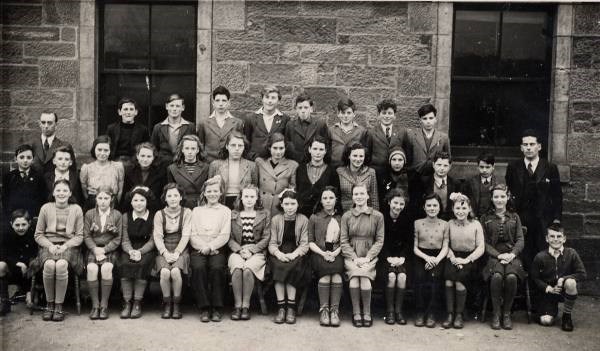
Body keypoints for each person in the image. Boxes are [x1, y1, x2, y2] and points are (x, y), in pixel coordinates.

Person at [505, 129, 562, 269]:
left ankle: (541, 288)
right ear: (521, 147)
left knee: (542, 254)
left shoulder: (550, 167)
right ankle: (523, 289)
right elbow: (509, 193)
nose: (529, 147)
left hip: (543, 219)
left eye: (532, 144)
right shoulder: (513, 167)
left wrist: (556, 220)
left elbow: (557, 196)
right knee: (523, 254)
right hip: (521, 219)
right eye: (525, 144)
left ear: (539, 146)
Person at [32, 179, 84, 321]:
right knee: (49, 264)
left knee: (61, 264)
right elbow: (38, 235)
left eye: (65, 190)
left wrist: (65, 246)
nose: (61, 193)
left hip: (69, 245)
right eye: (58, 190)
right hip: (49, 244)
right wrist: (50, 246)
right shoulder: (46, 208)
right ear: (53, 192)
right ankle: (50, 304)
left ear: (70, 193)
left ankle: (59, 305)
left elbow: (79, 236)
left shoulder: (76, 209)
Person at [480, 184, 526, 330]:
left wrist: (512, 255)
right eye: (496, 197)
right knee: (497, 277)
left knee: (511, 277)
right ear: (492, 199)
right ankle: (496, 313)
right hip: (494, 256)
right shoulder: (485, 217)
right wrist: (499, 255)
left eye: (502, 196)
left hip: (512, 256)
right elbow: (484, 243)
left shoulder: (515, 217)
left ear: (507, 198)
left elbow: (520, 239)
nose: (499, 200)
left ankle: (506, 314)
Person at [340, 184, 384, 328]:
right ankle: (356, 312)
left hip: (369, 255)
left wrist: (368, 257)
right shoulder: (347, 216)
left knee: (364, 277)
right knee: (354, 278)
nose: (359, 197)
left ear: (368, 195)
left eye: (362, 194)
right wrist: (354, 257)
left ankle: (367, 312)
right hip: (352, 255)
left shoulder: (377, 216)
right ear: (352, 197)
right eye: (356, 194)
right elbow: (344, 241)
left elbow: (379, 240)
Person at [189, 176, 231, 322]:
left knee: (217, 268)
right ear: (204, 193)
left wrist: (211, 246)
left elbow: (224, 235)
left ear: (220, 193)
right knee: (198, 267)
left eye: (215, 191)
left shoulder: (225, 211)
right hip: (199, 249)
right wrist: (204, 247)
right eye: (209, 191)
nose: (212, 194)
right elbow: (192, 234)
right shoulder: (196, 211)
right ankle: (205, 308)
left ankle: (217, 308)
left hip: (217, 249)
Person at [531, 224, 586, 332]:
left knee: (571, 283)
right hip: (549, 293)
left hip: (564, 290)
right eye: (552, 236)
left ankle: (566, 316)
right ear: (547, 239)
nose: (555, 239)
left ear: (564, 239)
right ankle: (549, 311)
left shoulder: (571, 253)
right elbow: (535, 278)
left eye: (559, 236)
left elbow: (582, 273)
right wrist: (548, 288)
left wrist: (563, 279)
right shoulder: (540, 256)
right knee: (546, 321)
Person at [228, 185, 270, 321]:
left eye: (252, 196)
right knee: (237, 267)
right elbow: (228, 237)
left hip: (257, 251)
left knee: (248, 270)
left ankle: (246, 306)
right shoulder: (233, 214)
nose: (249, 199)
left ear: (257, 198)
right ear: (241, 198)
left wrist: (252, 250)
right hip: (238, 250)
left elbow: (266, 237)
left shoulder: (264, 214)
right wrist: (240, 250)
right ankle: (237, 306)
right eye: (246, 196)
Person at [443, 193, 485, 329]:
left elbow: (481, 247)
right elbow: (446, 244)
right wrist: (452, 257)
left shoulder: (476, 224)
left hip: (470, 259)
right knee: (449, 279)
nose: (460, 212)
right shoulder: (449, 224)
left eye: (463, 208)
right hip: (453, 257)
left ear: (469, 209)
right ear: (453, 209)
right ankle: (450, 314)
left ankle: (459, 315)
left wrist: (467, 260)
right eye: (457, 208)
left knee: (459, 280)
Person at [268, 189, 310, 324]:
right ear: (281, 204)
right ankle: (281, 308)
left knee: (293, 267)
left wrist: (294, 254)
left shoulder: (303, 219)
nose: (290, 207)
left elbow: (305, 244)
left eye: (293, 204)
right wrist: (278, 254)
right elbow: (272, 243)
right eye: (286, 204)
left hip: (296, 252)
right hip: (279, 252)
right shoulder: (276, 220)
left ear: (298, 204)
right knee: (279, 266)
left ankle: (291, 307)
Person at [153, 183, 192, 319]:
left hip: (180, 248)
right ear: (165, 198)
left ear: (181, 197)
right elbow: (157, 236)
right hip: (164, 248)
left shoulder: (187, 212)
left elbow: (186, 235)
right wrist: (164, 253)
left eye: (176, 195)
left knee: (175, 272)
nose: (173, 198)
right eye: (169, 196)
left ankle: (176, 305)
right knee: (164, 272)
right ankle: (167, 303)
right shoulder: (159, 214)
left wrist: (177, 253)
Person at [83, 187, 123, 320]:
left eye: (106, 198)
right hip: (93, 249)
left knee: (107, 268)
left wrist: (105, 250)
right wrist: (94, 249)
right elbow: (86, 235)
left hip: (109, 249)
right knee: (91, 268)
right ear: (96, 199)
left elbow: (118, 238)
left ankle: (104, 305)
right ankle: (95, 305)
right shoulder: (90, 214)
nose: (103, 202)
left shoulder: (117, 215)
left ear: (111, 199)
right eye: (100, 198)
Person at [118, 186, 156, 319]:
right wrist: (130, 251)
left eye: (142, 200)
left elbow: (153, 240)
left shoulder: (153, 216)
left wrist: (140, 251)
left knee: (142, 264)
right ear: (131, 202)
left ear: (147, 202)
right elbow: (124, 240)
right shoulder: (125, 216)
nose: (138, 203)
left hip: (146, 249)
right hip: (128, 248)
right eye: (135, 200)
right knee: (124, 263)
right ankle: (127, 302)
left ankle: (137, 302)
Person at [308, 186, 344, 327]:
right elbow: (310, 241)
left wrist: (335, 252)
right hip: (318, 254)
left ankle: (334, 311)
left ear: (336, 200)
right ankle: (324, 310)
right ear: (321, 201)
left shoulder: (342, 218)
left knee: (336, 275)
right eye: (325, 198)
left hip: (337, 253)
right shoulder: (315, 217)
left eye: (331, 198)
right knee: (325, 274)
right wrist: (323, 253)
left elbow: (345, 240)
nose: (328, 201)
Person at [413, 193, 449, 328]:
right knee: (419, 276)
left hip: (438, 256)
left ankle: (432, 312)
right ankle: (420, 311)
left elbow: (446, 246)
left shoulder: (445, 224)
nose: (432, 208)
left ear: (440, 207)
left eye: (435, 205)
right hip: (421, 255)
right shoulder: (417, 223)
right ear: (424, 207)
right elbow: (415, 247)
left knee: (435, 277)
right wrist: (427, 258)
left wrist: (436, 260)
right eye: (429, 205)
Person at [381, 188, 413, 325]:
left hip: (402, 257)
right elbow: (380, 240)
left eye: (401, 204)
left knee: (402, 276)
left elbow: (409, 242)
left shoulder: (407, 219)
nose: (398, 207)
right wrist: (388, 257)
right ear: (389, 202)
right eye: (395, 203)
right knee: (391, 276)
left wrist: (402, 258)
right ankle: (389, 311)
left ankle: (398, 311)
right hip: (384, 257)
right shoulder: (381, 217)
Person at [0, 210, 38, 316]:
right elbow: (3, 254)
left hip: (29, 271)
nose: (20, 228)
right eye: (17, 225)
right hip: (13, 269)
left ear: (29, 223)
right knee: (1, 266)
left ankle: (29, 293)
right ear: (11, 224)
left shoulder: (33, 235)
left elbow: (35, 254)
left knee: (31, 302)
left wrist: (26, 263)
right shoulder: (6, 235)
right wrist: (17, 263)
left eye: (23, 224)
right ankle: (4, 301)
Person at [208, 131, 258, 209]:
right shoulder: (215, 165)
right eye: (233, 145)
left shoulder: (251, 166)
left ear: (244, 147)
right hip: (221, 202)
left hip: (243, 202)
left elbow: (254, 187)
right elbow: (209, 187)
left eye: (240, 145)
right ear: (227, 146)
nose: (237, 149)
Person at [296, 135, 341, 218]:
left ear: (325, 151)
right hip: (302, 215)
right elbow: (297, 190)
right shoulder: (300, 169)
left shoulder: (332, 171)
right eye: (315, 149)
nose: (318, 152)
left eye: (321, 149)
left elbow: (336, 196)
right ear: (309, 149)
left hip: (322, 216)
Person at [197, 86, 244, 162]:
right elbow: (200, 146)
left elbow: (240, 145)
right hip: (209, 163)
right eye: (217, 100)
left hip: (229, 163)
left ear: (229, 103)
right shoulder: (204, 123)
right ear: (213, 103)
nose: (221, 104)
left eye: (224, 100)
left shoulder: (237, 123)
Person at [256, 133, 298, 216]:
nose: (278, 152)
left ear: (285, 148)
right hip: (261, 205)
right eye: (275, 148)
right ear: (269, 148)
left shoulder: (292, 165)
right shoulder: (259, 162)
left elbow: (292, 189)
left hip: (279, 207)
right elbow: (254, 185)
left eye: (281, 148)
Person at [80, 135, 125, 211]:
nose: (102, 153)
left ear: (110, 151)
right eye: (99, 150)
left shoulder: (118, 166)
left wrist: (115, 203)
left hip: (112, 204)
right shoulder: (86, 168)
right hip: (93, 204)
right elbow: (84, 189)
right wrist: (92, 201)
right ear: (94, 149)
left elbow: (120, 190)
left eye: (106, 150)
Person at [2, 144, 47, 219]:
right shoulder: (9, 177)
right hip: (15, 218)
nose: (25, 160)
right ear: (16, 158)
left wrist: (38, 216)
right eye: (21, 157)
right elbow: (5, 199)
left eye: (29, 157)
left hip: (33, 217)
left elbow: (42, 198)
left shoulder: (39, 177)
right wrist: (10, 216)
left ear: (32, 159)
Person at [244, 85, 289, 160]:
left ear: (278, 100)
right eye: (267, 97)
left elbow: (286, 142)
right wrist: (251, 156)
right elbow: (246, 142)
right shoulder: (250, 118)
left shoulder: (285, 118)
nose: (269, 101)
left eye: (273, 98)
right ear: (262, 99)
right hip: (255, 161)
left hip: (276, 162)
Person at [150, 94, 197, 166]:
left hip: (183, 165)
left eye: (177, 106)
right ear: (167, 106)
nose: (174, 109)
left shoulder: (190, 126)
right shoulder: (158, 127)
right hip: (163, 166)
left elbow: (195, 147)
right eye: (172, 106)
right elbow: (153, 149)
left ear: (183, 108)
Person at [405, 103, 450, 177]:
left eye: (431, 118)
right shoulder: (412, 136)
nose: (428, 121)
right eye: (425, 118)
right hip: (416, 176)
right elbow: (408, 159)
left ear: (435, 119)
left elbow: (448, 159)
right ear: (420, 120)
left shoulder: (443, 137)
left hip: (435, 176)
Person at [121, 142, 166, 213]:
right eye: (142, 156)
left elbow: (161, 199)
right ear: (137, 156)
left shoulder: (160, 174)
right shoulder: (129, 172)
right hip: (133, 211)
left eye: (149, 156)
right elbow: (125, 198)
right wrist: (133, 191)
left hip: (153, 211)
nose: (145, 159)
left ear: (153, 157)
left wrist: (150, 193)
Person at [285, 94, 330, 163]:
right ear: (296, 109)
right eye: (300, 108)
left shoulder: (320, 124)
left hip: (314, 164)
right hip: (296, 164)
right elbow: (287, 147)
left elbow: (327, 146)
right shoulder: (290, 125)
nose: (303, 111)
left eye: (306, 107)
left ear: (311, 109)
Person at [167, 135, 209, 209]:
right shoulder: (172, 168)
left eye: (193, 149)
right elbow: (171, 191)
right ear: (182, 150)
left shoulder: (206, 167)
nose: (190, 152)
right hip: (181, 206)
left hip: (201, 205)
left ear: (197, 150)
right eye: (187, 148)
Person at [105, 97, 150, 167]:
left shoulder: (143, 130)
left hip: (135, 163)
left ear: (136, 112)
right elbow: (106, 147)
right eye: (125, 109)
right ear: (119, 112)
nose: (128, 112)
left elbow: (147, 148)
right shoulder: (111, 129)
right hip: (115, 162)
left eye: (131, 109)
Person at [368, 99, 408, 175]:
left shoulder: (402, 132)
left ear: (394, 115)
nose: (387, 116)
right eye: (384, 113)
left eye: (390, 113)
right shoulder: (371, 132)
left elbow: (406, 153)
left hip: (397, 174)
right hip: (377, 173)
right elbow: (368, 155)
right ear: (379, 115)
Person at [418, 151, 460, 220]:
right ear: (433, 165)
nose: (442, 168)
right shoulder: (424, 182)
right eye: (439, 165)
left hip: (448, 220)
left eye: (445, 165)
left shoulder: (455, 183)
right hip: (428, 219)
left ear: (450, 166)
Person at [336, 142, 379, 212]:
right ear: (349, 156)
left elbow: (374, 198)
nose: (358, 159)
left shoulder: (371, 172)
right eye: (355, 156)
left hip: (365, 213)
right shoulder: (340, 172)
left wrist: (374, 217)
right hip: (345, 213)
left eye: (361, 156)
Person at [328, 98, 369, 168]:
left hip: (353, 168)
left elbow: (365, 152)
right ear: (338, 114)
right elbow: (327, 151)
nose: (346, 116)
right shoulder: (331, 130)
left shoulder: (362, 131)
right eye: (343, 113)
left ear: (354, 114)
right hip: (334, 168)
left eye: (349, 113)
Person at [463, 152, 498, 219]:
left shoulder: (498, 182)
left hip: (492, 218)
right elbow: (465, 200)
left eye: (488, 167)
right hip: (474, 217)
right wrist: (471, 213)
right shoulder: (470, 182)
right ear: (477, 167)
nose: (484, 170)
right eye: (481, 167)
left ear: (493, 167)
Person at [377, 146, 410, 213]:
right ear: (389, 161)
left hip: (406, 212)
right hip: (386, 212)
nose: (397, 163)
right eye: (394, 160)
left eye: (400, 160)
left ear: (404, 161)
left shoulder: (411, 176)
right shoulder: (383, 175)